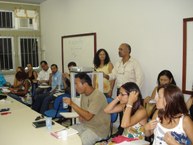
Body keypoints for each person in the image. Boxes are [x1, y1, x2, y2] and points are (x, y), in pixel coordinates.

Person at [103, 43, 144, 136]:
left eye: (121, 49)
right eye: (119, 49)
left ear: (128, 51)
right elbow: (113, 75)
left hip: (131, 92)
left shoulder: (134, 63)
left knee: (132, 111)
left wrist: (134, 93)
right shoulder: (118, 63)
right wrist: (106, 76)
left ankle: (131, 130)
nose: (119, 51)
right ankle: (122, 130)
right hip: (120, 91)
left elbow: (140, 78)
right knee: (123, 111)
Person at [63, 72, 110, 145]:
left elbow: (88, 117)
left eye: (76, 84)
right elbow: (83, 115)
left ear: (85, 84)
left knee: (79, 142)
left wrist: (72, 104)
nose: (75, 87)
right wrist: (81, 115)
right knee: (66, 134)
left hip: (98, 130)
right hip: (86, 125)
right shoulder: (83, 94)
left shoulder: (97, 96)